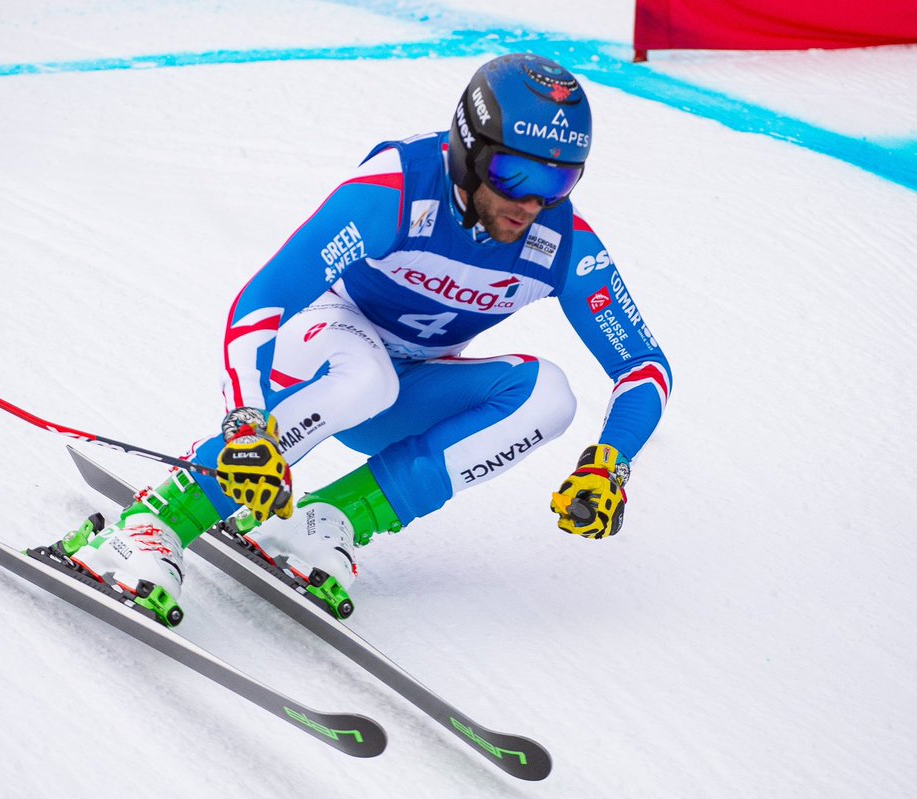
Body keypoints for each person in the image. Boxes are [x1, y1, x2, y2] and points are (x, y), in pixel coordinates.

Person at [57, 53, 672, 621]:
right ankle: (149, 524)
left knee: (551, 397)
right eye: (513, 174)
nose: (531, 203)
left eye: (559, 183)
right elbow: (263, 302)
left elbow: (643, 367)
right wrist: (245, 422)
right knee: (367, 376)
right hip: (317, 357)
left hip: (404, 391)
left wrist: (611, 464)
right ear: (469, 151)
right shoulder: (397, 190)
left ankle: (330, 521)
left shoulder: (561, 244)